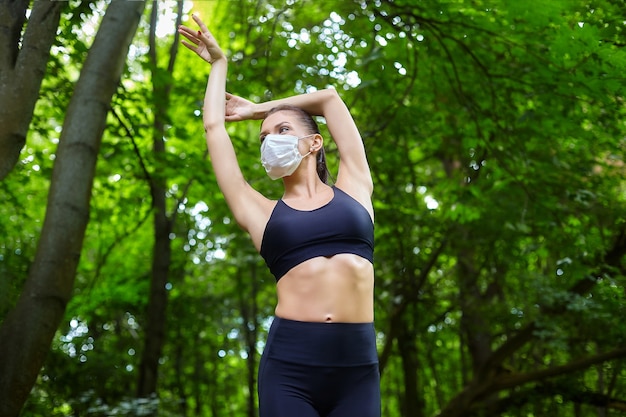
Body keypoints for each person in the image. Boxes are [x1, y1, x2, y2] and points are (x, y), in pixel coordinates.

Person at [179, 15, 380, 417]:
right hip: (290, 369)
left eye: (283, 130)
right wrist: (219, 65)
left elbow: (328, 99)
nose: (271, 140)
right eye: (264, 137)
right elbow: (214, 127)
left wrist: (257, 111)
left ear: (314, 142)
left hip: (357, 369)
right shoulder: (259, 212)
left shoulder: (355, 187)